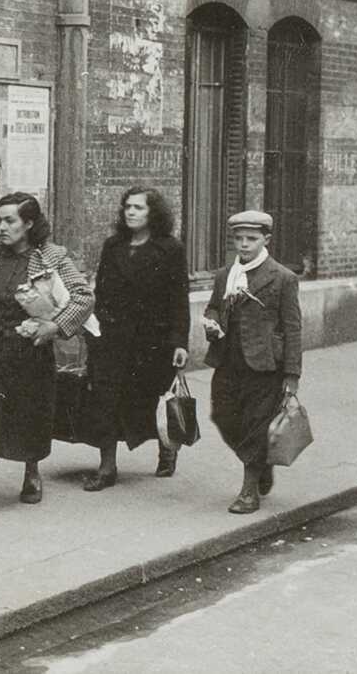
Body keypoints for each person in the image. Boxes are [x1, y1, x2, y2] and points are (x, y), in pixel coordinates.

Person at [0, 193, 94, 520]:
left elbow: (83, 298)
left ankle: (31, 471)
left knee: (29, 414)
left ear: (28, 223)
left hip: (28, 350)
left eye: (9, 220)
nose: (1, 227)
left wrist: (54, 327)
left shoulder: (51, 257)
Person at [84, 186, 190, 491]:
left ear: (153, 213)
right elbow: (101, 293)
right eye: (128, 206)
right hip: (112, 337)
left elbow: (179, 299)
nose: (131, 212)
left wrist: (180, 341)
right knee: (106, 398)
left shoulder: (170, 249)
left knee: (153, 396)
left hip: (152, 340)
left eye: (139, 208)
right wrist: (95, 331)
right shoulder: (113, 246)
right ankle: (107, 467)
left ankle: (167, 448)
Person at [203, 210, 302, 514]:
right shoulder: (225, 276)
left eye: (251, 239)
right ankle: (262, 464)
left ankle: (249, 490)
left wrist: (292, 374)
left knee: (256, 425)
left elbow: (292, 326)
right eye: (239, 239)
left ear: (266, 240)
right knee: (223, 416)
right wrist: (212, 322)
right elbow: (214, 308)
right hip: (228, 361)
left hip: (264, 365)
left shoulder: (282, 277)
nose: (244, 245)